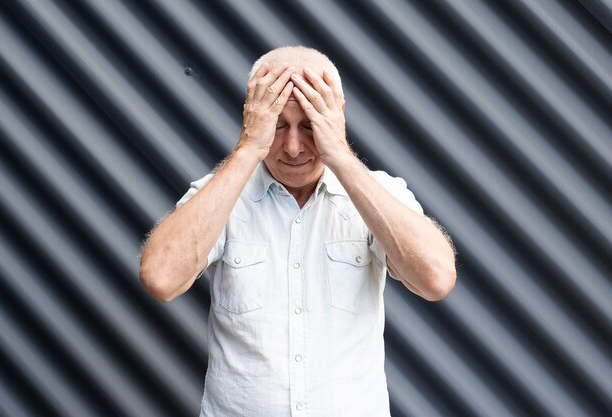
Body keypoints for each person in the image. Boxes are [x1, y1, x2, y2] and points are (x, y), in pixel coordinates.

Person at [139, 46, 457, 417]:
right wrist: (247, 150)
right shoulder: (221, 195)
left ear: (336, 116)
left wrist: (339, 153)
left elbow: (435, 279)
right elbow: (161, 279)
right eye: (276, 126)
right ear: (252, 118)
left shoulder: (377, 193)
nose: (292, 148)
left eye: (308, 125)